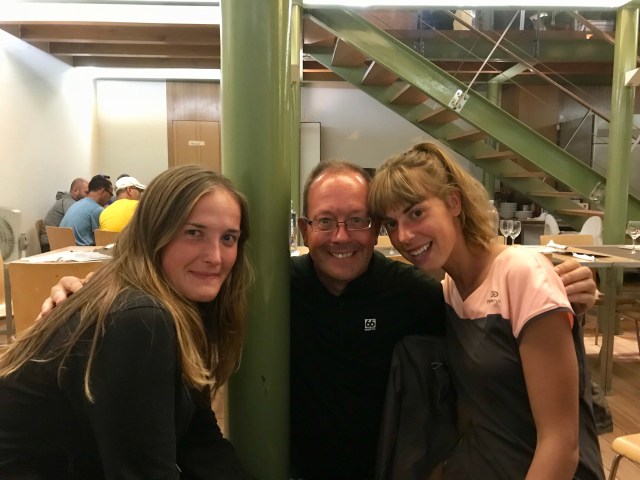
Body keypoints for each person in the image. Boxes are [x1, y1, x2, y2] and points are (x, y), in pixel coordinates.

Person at [40, 161, 597, 480]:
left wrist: (565, 287)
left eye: (359, 221)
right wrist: (87, 293)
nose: (341, 237)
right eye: (326, 222)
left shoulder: (417, 293)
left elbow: (490, 316)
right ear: (304, 228)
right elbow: (165, 284)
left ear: (375, 230)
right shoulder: (266, 289)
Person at [0, 165, 254, 479]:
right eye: (193, 233)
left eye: (228, 238)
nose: (215, 256)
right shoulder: (140, 319)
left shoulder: (180, 308)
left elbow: (198, 439)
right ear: (153, 232)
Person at [367, 143, 604, 479]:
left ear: (454, 202)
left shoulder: (521, 273)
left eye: (416, 213)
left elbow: (561, 447)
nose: (403, 235)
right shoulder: (450, 290)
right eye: (391, 224)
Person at [60, 174, 113, 245]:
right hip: (80, 250)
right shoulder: (97, 209)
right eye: (110, 194)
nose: (110, 198)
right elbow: (101, 238)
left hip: (62, 247)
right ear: (102, 191)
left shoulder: (77, 204)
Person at [41, 177, 89, 251]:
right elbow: (78, 222)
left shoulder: (68, 201)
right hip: (50, 244)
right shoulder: (67, 202)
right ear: (75, 191)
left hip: (56, 241)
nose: (88, 196)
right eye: (86, 192)